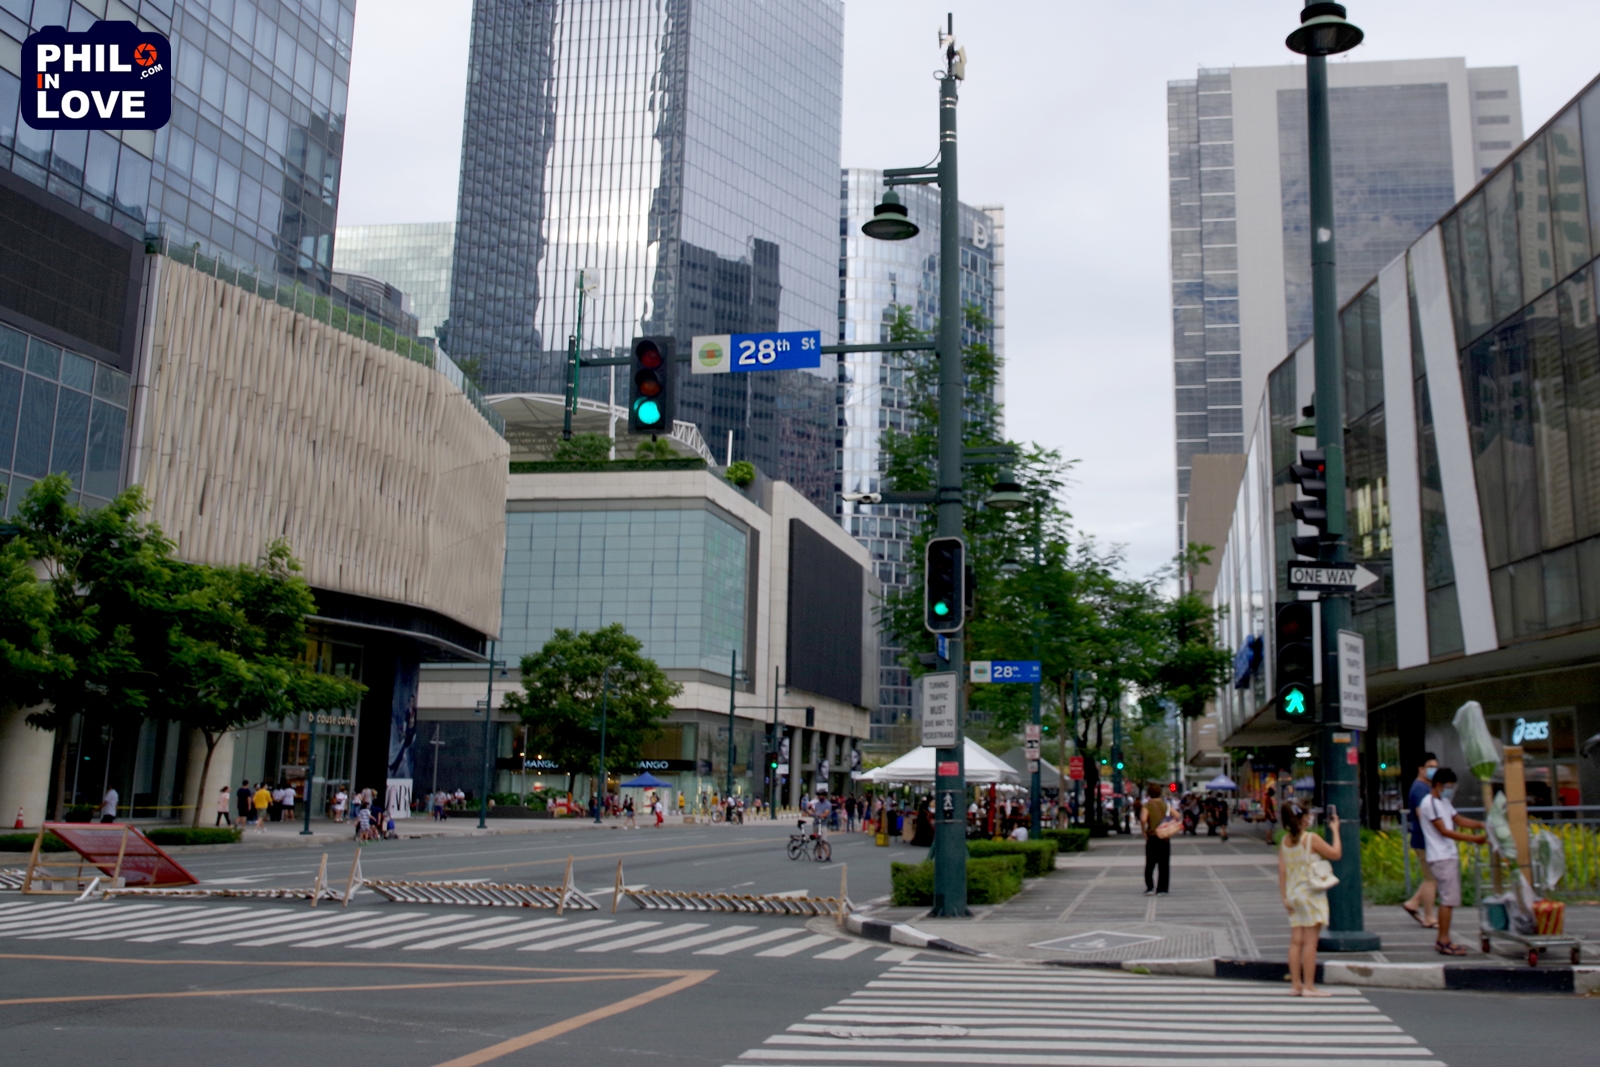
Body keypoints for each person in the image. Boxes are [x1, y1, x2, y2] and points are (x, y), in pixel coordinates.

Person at [1418, 767, 1487, 956]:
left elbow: (1459, 820)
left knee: (1450, 900)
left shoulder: (1444, 802)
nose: (1450, 790)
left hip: (1448, 855)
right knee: (1448, 900)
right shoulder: (1429, 803)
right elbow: (1444, 831)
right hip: (1441, 856)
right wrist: (1474, 839)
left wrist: (1481, 824)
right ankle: (1443, 940)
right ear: (1438, 785)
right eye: (1448, 786)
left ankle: (1444, 938)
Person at [1278, 800, 1343, 995]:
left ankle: (1295, 985)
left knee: (1296, 941)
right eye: (1308, 815)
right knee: (1310, 942)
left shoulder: (1285, 841)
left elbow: (1282, 870)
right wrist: (1335, 830)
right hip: (1311, 894)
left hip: (1293, 894)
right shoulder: (1310, 839)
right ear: (1304, 818)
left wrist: (1284, 897)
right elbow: (1335, 854)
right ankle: (1309, 986)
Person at [1401, 752, 1440, 929]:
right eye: (1430, 767)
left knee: (1431, 877)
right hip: (1424, 840)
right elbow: (1423, 814)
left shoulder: (1424, 787)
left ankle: (1414, 903)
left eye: (1435, 767)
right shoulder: (1420, 789)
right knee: (1431, 878)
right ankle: (1429, 916)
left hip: (1424, 839)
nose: (1434, 770)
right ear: (1421, 769)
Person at [1139, 784, 1171, 896]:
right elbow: (1176, 815)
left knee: (1150, 863)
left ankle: (1150, 887)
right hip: (1164, 837)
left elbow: (1143, 819)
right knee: (1164, 864)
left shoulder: (1147, 805)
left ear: (1149, 793)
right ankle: (1162, 889)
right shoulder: (1166, 805)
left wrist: (1144, 830)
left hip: (1152, 837)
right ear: (1160, 793)